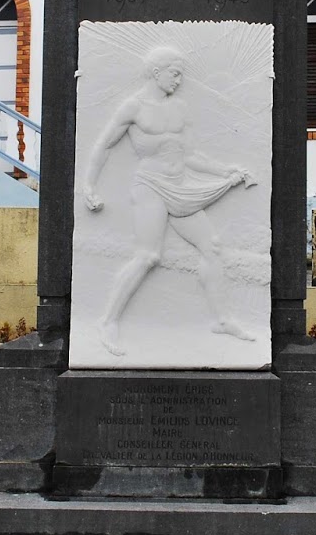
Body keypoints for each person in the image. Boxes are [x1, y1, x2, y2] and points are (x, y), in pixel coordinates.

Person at [82, 45, 257, 356]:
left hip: (180, 188)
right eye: (175, 74)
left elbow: (190, 155)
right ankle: (107, 321)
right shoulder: (133, 107)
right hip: (149, 186)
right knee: (148, 256)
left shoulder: (179, 108)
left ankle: (223, 320)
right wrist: (89, 184)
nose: (179, 81)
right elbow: (104, 146)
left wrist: (225, 169)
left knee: (211, 247)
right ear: (156, 72)